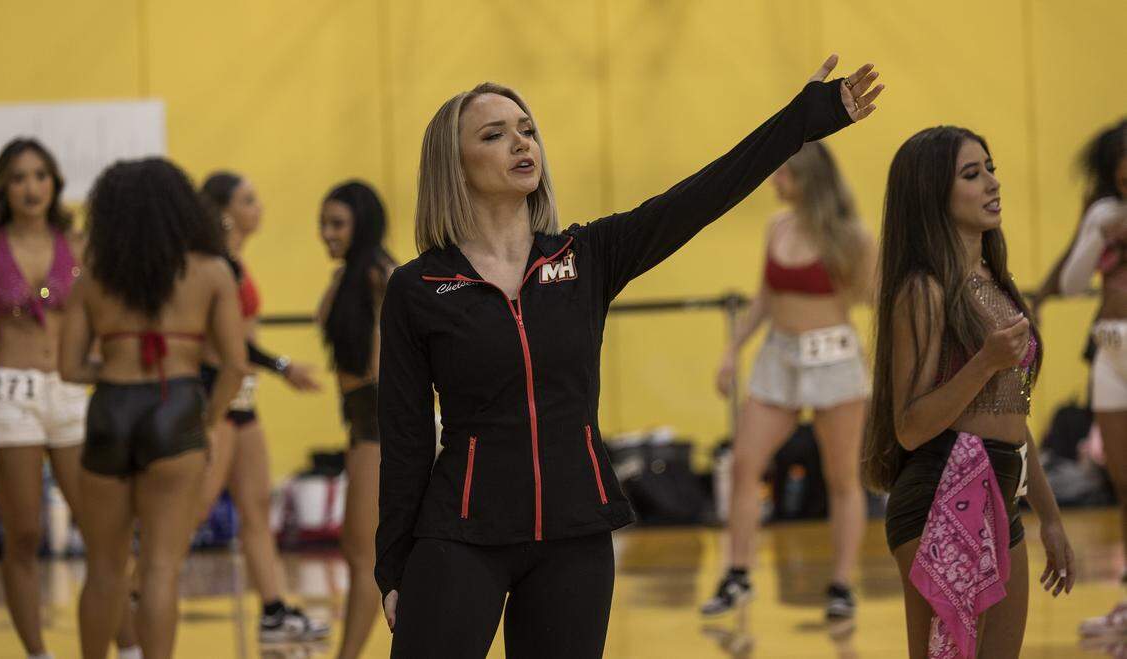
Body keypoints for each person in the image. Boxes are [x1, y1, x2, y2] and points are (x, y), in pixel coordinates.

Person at [377, 56, 882, 658]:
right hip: (460, 532)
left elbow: (705, 193)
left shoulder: (586, 256)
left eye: (527, 130)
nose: (521, 142)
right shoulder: (418, 288)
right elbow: (405, 438)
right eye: (494, 135)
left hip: (576, 534)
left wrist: (803, 120)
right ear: (453, 165)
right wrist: (393, 566)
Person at [863, 126, 1075, 658]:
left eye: (991, 169)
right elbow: (910, 427)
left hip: (1004, 494)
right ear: (933, 193)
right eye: (972, 174)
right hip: (939, 493)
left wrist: (1050, 516)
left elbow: (1012, 413)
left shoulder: (997, 284)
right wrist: (984, 363)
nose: (992, 183)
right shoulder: (923, 291)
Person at [60, 157, 246, 659]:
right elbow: (234, 365)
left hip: (110, 409)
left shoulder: (93, 278)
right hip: (177, 406)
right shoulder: (211, 272)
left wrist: (114, 369)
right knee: (161, 570)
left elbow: (69, 368)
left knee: (103, 569)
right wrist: (207, 421)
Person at [701, 141, 874, 620]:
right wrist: (732, 350)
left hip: (835, 360)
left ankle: (842, 584)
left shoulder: (853, 236)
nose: (775, 181)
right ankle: (737, 574)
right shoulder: (777, 226)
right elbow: (764, 298)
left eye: (784, 174)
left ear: (809, 179)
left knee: (842, 477)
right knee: (744, 465)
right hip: (779, 357)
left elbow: (876, 298)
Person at [0, 138, 139, 659]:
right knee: (24, 534)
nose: (31, 187)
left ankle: (130, 647)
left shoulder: (78, 244)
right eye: (18, 178)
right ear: (3, 187)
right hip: (11, 393)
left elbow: (107, 315)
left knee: (101, 531)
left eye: (40, 175)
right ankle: (37, 653)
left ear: (54, 182)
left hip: (72, 392)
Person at [197, 172, 328, 643]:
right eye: (248, 200)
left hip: (244, 398)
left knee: (255, 509)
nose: (259, 207)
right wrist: (283, 366)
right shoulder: (217, 265)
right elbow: (230, 343)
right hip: (217, 396)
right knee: (193, 508)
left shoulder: (235, 262)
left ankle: (273, 611)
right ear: (224, 212)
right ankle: (135, 595)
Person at [1045, 120, 1127, 637]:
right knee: (1122, 482)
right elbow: (1074, 284)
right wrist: (1098, 232)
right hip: (1110, 351)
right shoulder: (1103, 212)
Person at [316, 180, 395, 658]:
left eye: (337, 224)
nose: (327, 233)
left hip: (380, 423)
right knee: (355, 548)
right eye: (323, 224)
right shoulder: (349, 277)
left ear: (362, 224)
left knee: (364, 554)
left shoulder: (381, 276)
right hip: (360, 424)